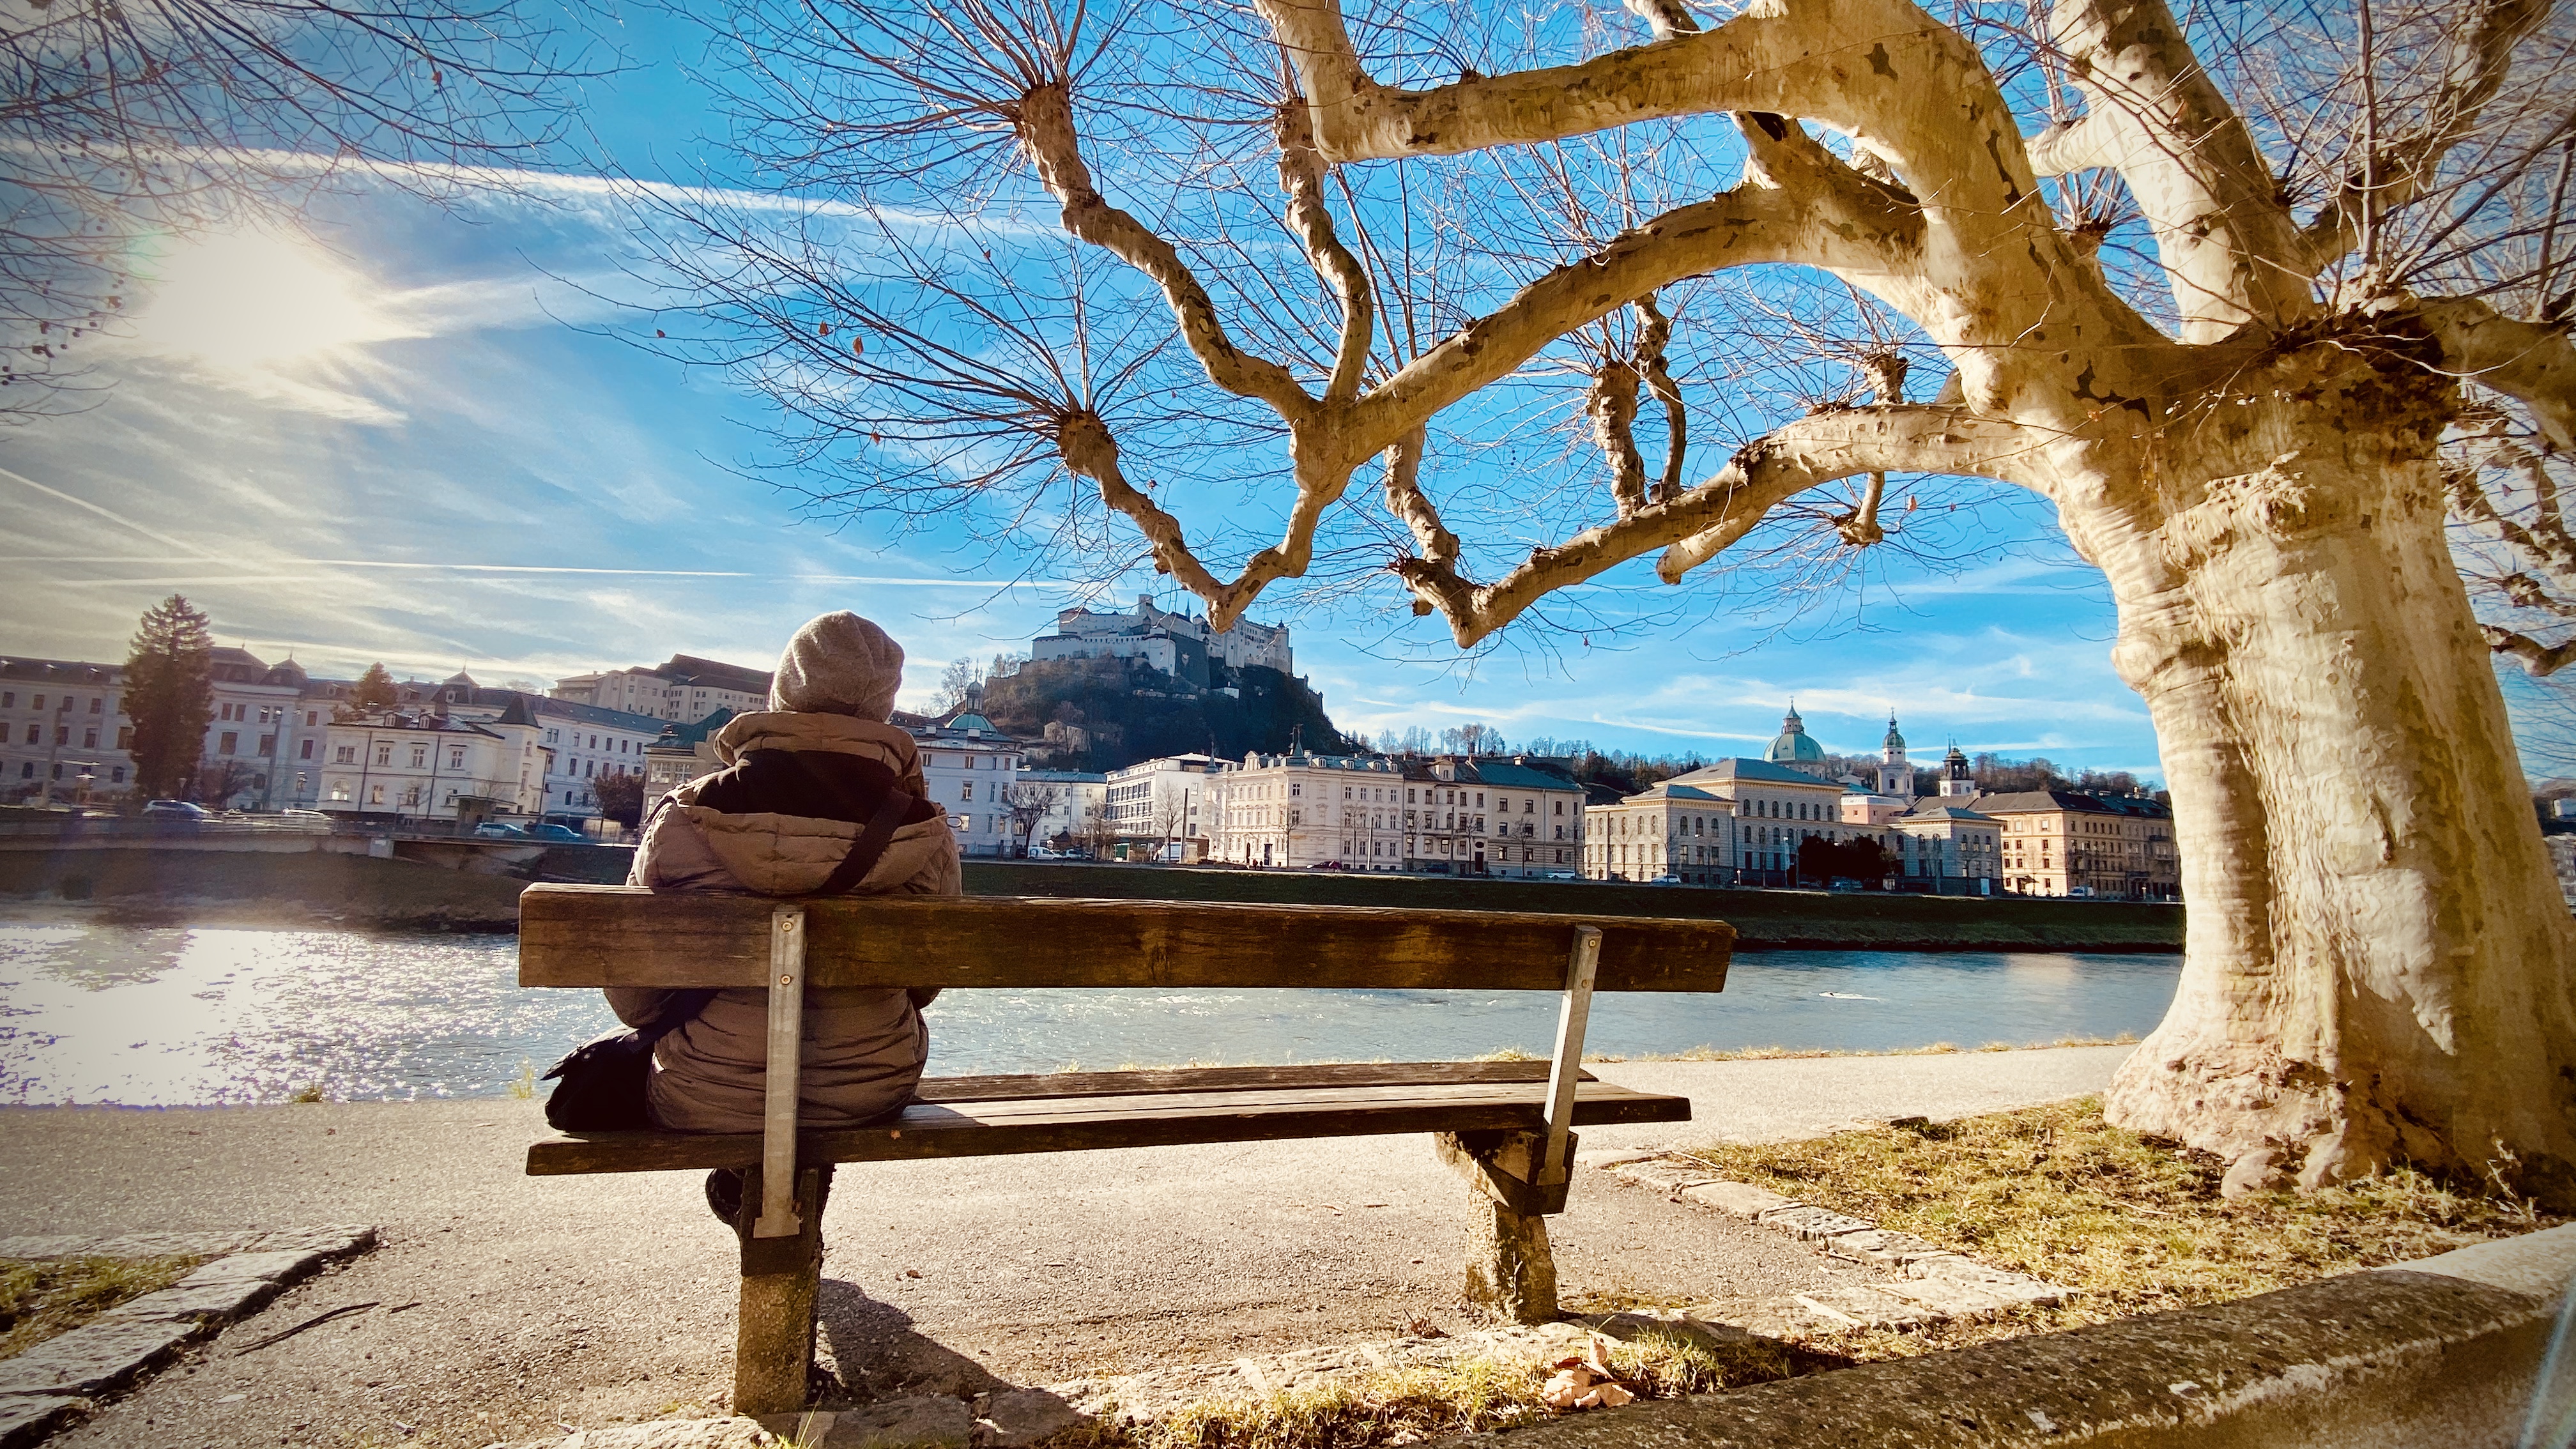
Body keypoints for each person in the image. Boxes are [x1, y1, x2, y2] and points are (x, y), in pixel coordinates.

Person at [603, 611, 958, 1221]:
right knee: (830, 1072)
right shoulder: (923, 827)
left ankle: (755, 1184)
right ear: (884, 706)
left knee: (743, 1086)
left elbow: (636, 996)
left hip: (704, 1089)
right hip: (870, 1084)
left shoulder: (685, 817)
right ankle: (789, 1196)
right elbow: (923, 985)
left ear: (783, 687)